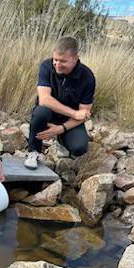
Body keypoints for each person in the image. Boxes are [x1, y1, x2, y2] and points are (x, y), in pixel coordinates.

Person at [25, 36, 95, 169]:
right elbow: (44, 99)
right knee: (40, 111)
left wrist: (61, 128)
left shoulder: (87, 77)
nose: (57, 64)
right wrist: (74, 113)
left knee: (79, 148)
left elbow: (84, 114)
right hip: (48, 115)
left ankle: (61, 138)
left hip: (68, 121)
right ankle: (34, 151)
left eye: (63, 61)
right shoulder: (46, 66)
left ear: (75, 58)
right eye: (55, 59)